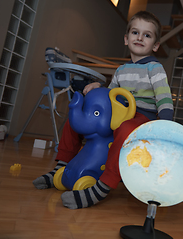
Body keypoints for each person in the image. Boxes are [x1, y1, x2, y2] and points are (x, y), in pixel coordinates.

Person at [33, 11, 173, 209]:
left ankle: (103, 186)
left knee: (125, 130)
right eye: (135, 32)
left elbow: (164, 96)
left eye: (147, 35)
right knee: (76, 118)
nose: (140, 38)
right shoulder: (121, 70)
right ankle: (61, 167)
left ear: (156, 45)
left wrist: (165, 122)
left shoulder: (154, 68)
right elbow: (111, 95)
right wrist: (99, 87)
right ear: (126, 39)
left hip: (140, 117)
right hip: (116, 114)